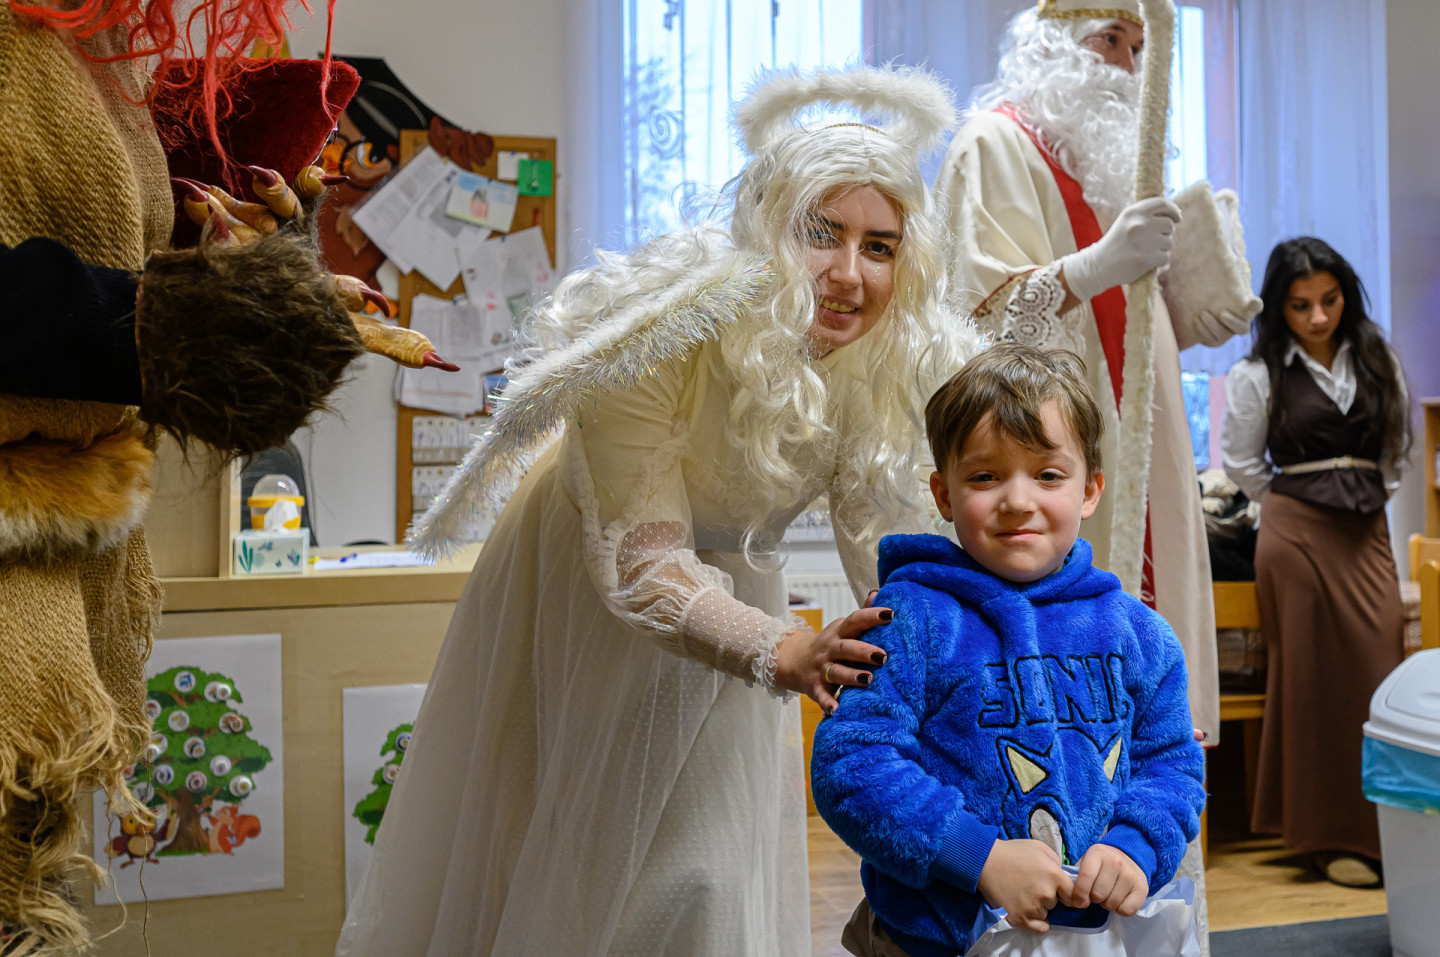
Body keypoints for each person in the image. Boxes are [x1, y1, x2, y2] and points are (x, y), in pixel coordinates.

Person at [334, 65, 979, 957]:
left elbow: (889, 550)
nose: (847, 274)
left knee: (707, 871)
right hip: (587, 592)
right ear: (768, 225)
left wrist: (964, 653)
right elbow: (643, 566)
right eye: (821, 233)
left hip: (743, 593)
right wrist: (784, 648)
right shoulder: (654, 335)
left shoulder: (880, 361)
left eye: (880, 246)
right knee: (578, 862)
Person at [0, 4, 450, 949]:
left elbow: (93, 248)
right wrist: (175, 318)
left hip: (63, 565)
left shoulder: (92, 55)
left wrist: (229, 270)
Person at [933, 7, 1227, 944]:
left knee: (1154, 723)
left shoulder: (1113, 172)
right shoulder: (993, 143)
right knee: (1059, 729)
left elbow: (1159, 325)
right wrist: (1095, 265)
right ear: (1050, 38)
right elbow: (971, 328)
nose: (1129, 65)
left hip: (1144, 464)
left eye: (1141, 47)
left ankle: (1157, 911)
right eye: (1110, 38)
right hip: (1050, 481)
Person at [812, 343, 1205, 957]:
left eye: (1047, 475)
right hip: (931, 942)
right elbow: (852, 766)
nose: (1018, 500)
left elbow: (1172, 764)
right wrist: (981, 858)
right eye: (985, 476)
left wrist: (1135, 846)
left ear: (1090, 490)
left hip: (1097, 939)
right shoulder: (907, 622)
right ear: (944, 495)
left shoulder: (1140, 634)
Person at [1222, 237, 1410, 888]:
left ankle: (1389, 825)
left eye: (1329, 300)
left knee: (1380, 664)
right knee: (1308, 681)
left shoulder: (1378, 358)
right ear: (1280, 306)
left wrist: (1363, 494)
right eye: (1301, 305)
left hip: (1366, 528)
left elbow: (1396, 449)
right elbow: (1242, 464)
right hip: (1295, 532)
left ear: (1346, 295)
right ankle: (1325, 836)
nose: (1319, 316)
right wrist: (1293, 507)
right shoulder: (1258, 373)